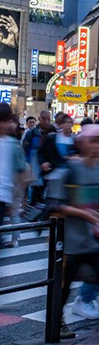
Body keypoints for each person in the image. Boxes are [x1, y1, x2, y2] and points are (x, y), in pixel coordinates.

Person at [46, 124, 99, 338]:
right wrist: (87, 215)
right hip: (70, 243)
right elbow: (54, 205)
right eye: (95, 141)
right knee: (62, 287)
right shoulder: (69, 170)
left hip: (94, 239)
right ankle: (56, 322)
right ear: (82, 143)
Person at [0, 104, 28, 248]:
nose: (5, 125)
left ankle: (14, 239)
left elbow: (22, 171)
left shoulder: (13, 143)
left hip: (7, 191)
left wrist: (19, 195)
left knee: (13, 214)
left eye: (6, 121)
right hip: (6, 192)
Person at [38, 113, 76, 180]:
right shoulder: (52, 138)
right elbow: (41, 152)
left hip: (72, 174)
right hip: (55, 172)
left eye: (69, 122)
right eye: (65, 123)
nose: (67, 125)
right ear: (60, 125)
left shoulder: (75, 140)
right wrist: (43, 162)